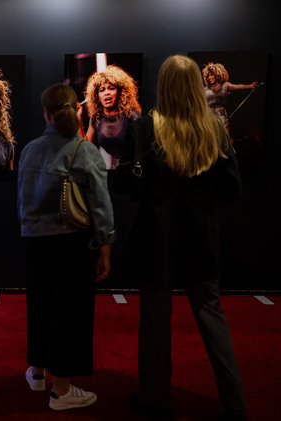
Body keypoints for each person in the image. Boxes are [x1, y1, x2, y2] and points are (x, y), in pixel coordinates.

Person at [120, 55, 247, 420]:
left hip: (156, 239)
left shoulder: (147, 126)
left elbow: (133, 187)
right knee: (212, 316)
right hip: (202, 238)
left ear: (163, 86)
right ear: (195, 85)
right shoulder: (214, 128)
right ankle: (235, 402)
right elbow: (232, 188)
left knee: (155, 321)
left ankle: (155, 397)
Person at [17, 83, 115, 411]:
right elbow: (100, 203)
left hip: (34, 241)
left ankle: (38, 371)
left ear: (45, 113)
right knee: (68, 311)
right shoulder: (83, 150)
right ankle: (60, 390)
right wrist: (105, 244)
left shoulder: (29, 149)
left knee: (40, 306)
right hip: (72, 241)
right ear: (77, 111)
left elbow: (21, 200)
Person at [82, 65, 141, 169]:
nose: (106, 93)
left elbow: (141, 148)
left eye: (111, 88)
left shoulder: (131, 115)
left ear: (120, 92)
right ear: (97, 96)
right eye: (102, 90)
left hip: (129, 169)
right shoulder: (96, 117)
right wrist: (78, 119)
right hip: (106, 169)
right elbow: (85, 147)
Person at [202, 62, 260, 143]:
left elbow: (237, 86)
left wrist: (249, 86)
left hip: (221, 115)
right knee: (210, 139)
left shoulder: (225, 85)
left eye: (212, 75)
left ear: (217, 75)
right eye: (208, 76)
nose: (210, 77)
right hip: (208, 117)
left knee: (228, 139)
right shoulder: (204, 89)